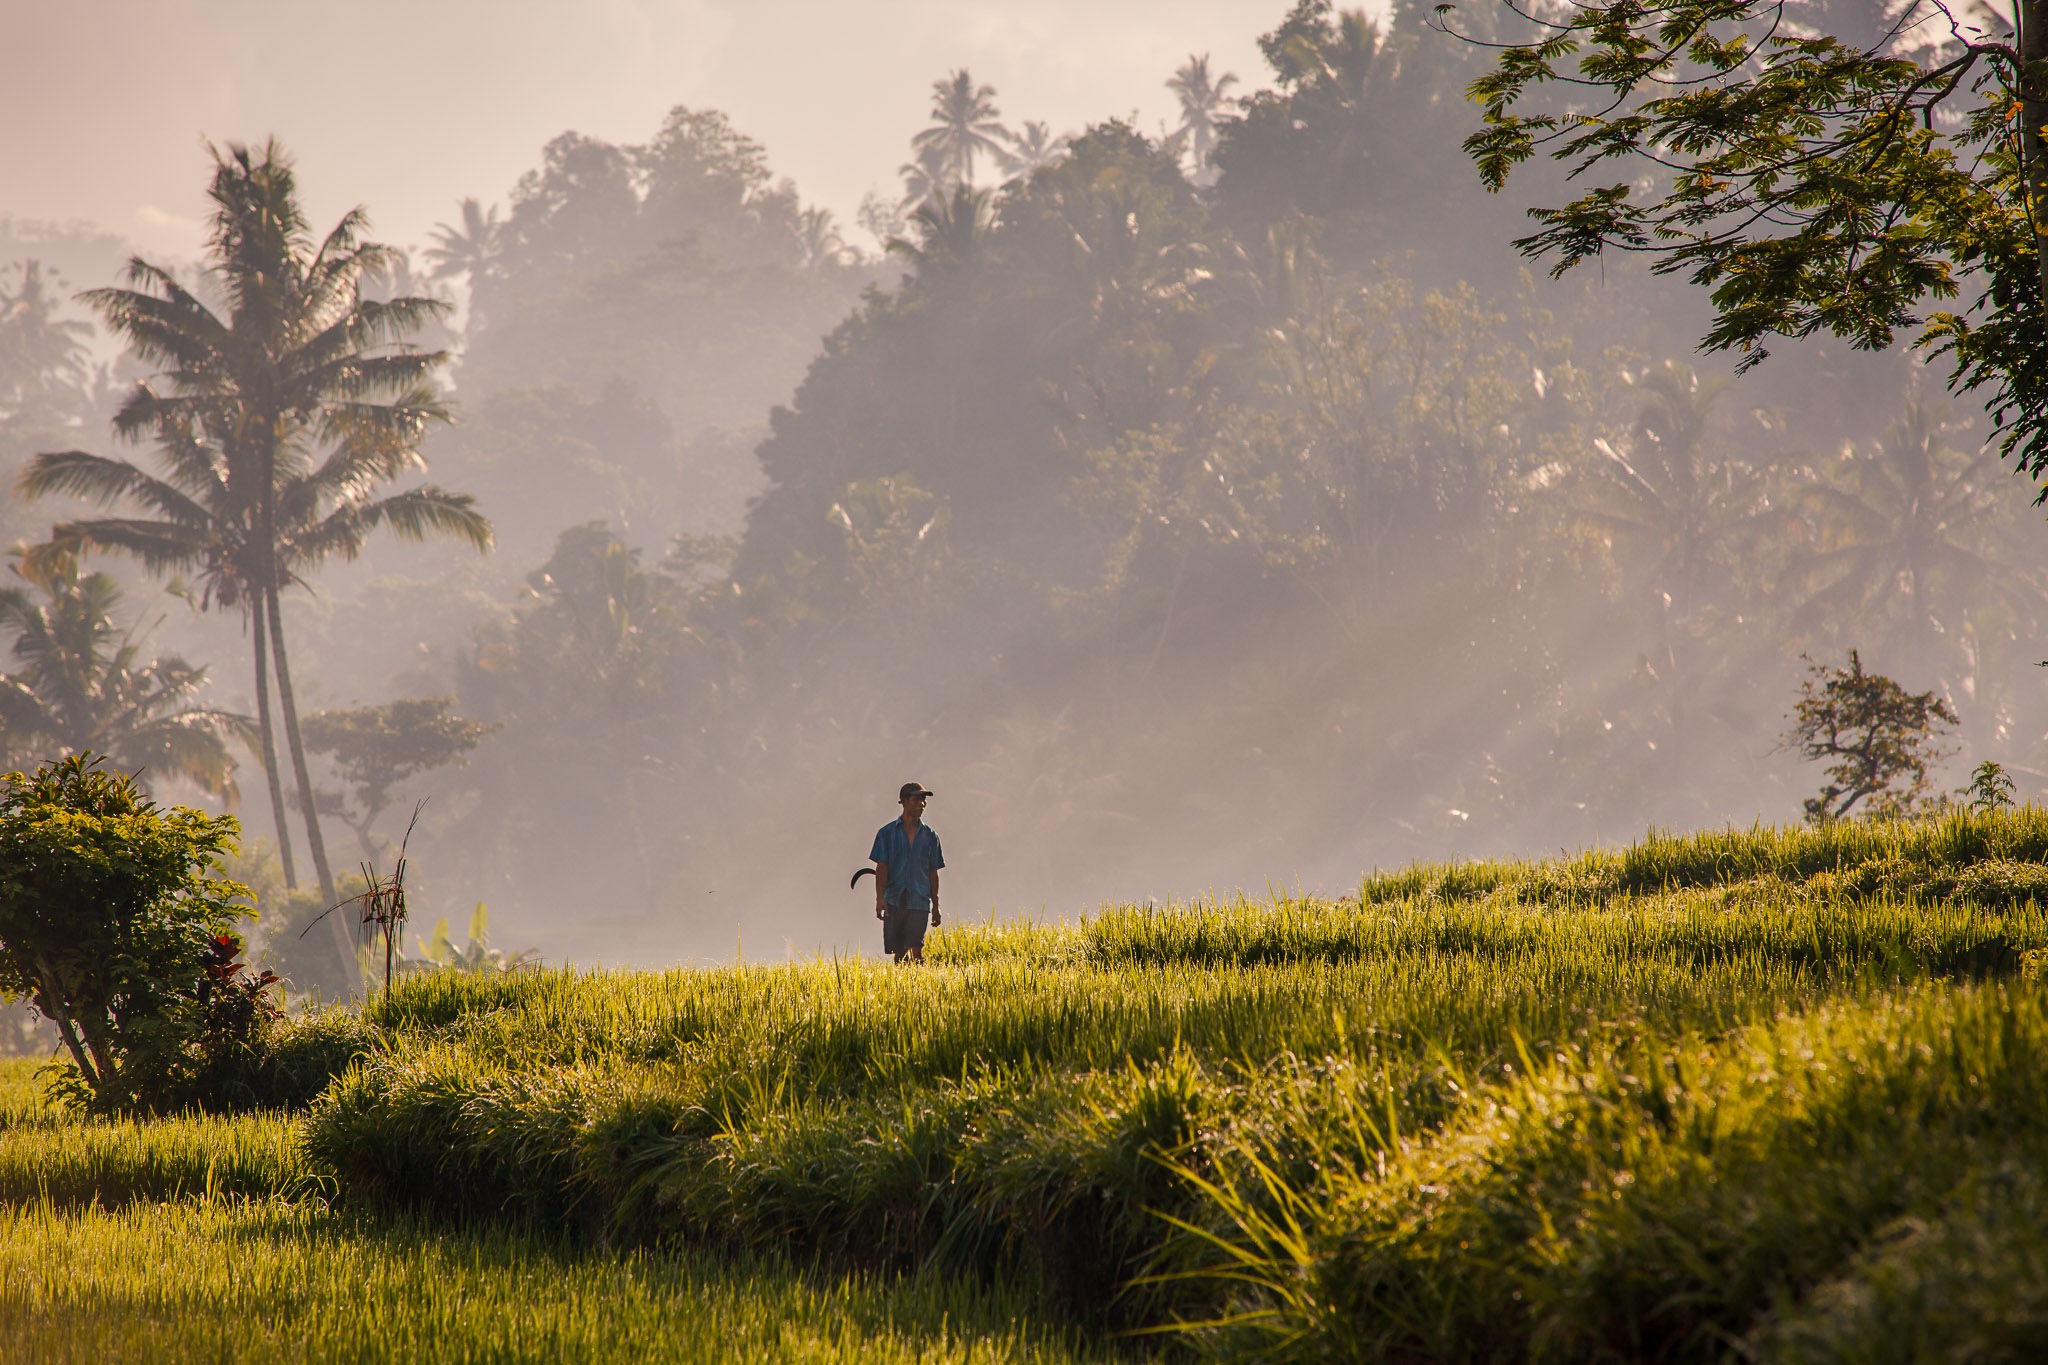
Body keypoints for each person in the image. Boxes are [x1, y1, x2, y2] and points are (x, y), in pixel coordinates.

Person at [869, 781, 945, 963]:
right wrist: (880, 899)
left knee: (917, 949)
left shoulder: (930, 836)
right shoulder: (887, 834)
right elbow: (882, 869)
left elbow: (933, 873)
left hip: (919, 900)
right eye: (917, 799)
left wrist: (935, 905)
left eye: (923, 800)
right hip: (894, 899)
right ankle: (902, 987)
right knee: (899, 953)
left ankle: (920, 985)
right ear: (903, 801)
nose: (922, 804)